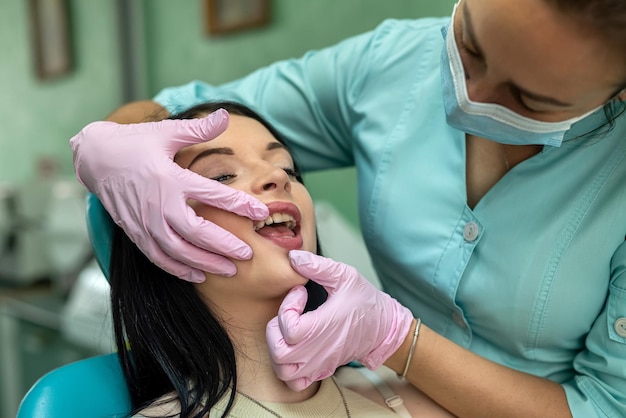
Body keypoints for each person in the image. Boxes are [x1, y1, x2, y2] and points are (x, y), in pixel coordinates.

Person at [70, 0, 626, 416]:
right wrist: (110, 142)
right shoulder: (390, 65)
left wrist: (396, 340)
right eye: (471, 47)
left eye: (532, 99)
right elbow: (177, 115)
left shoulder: (385, 400)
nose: (472, 93)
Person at [110, 101, 452, 417]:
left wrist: (398, 335)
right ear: (158, 236)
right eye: (222, 175)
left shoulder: (398, 398)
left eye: (288, 169)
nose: (278, 178)